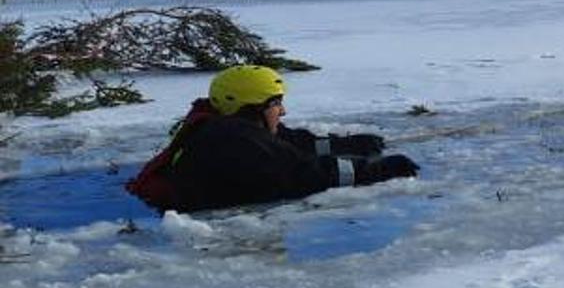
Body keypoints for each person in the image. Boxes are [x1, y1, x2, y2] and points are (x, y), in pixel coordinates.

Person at [126, 65, 420, 212]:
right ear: (252, 107)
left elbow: (290, 142)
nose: (283, 110)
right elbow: (300, 174)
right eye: (275, 103)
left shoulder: (229, 124)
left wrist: (349, 144)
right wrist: (377, 170)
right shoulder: (234, 141)